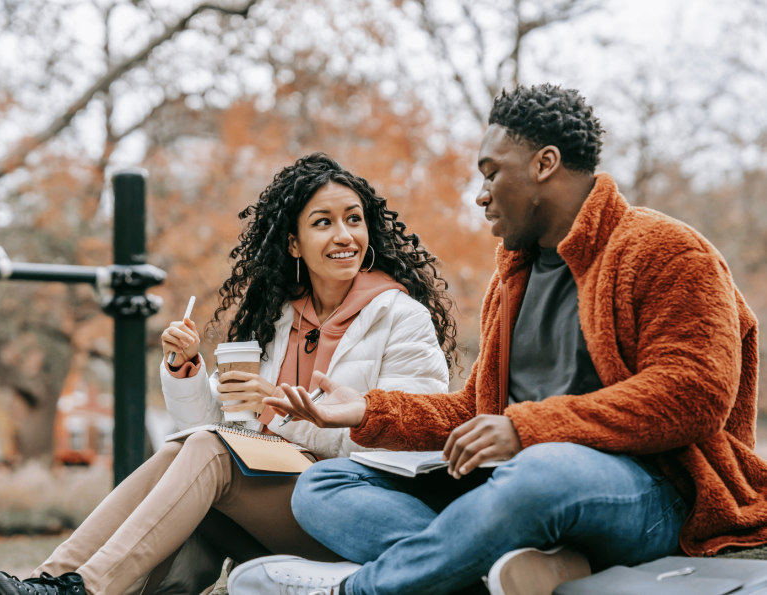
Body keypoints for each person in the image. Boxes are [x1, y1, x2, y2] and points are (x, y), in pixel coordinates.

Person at [229, 85, 762, 595]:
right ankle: (497, 569)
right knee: (325, 486)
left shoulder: (663, 249)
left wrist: (526, 430)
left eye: (491, 173)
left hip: (651, 491)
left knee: (541, 468)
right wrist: (368, 412)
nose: (480, 195)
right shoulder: (512, 278)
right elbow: (475, 411)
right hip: (511, 484)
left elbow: (695, 393)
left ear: (544, 164)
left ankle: (358, 587)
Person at [0, 153, 459, 595]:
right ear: (294, 243)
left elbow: (405, 448)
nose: (344, 234)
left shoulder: (399, 317)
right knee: (179, 451)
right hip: (278, 497)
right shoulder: (278, 320)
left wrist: (283, 407)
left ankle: (82, 590)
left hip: (347, 511)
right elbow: (212, 431)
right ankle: (46, 582)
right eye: (323, 222)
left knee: (207, 452)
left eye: (353, 218)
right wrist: (185, 370)